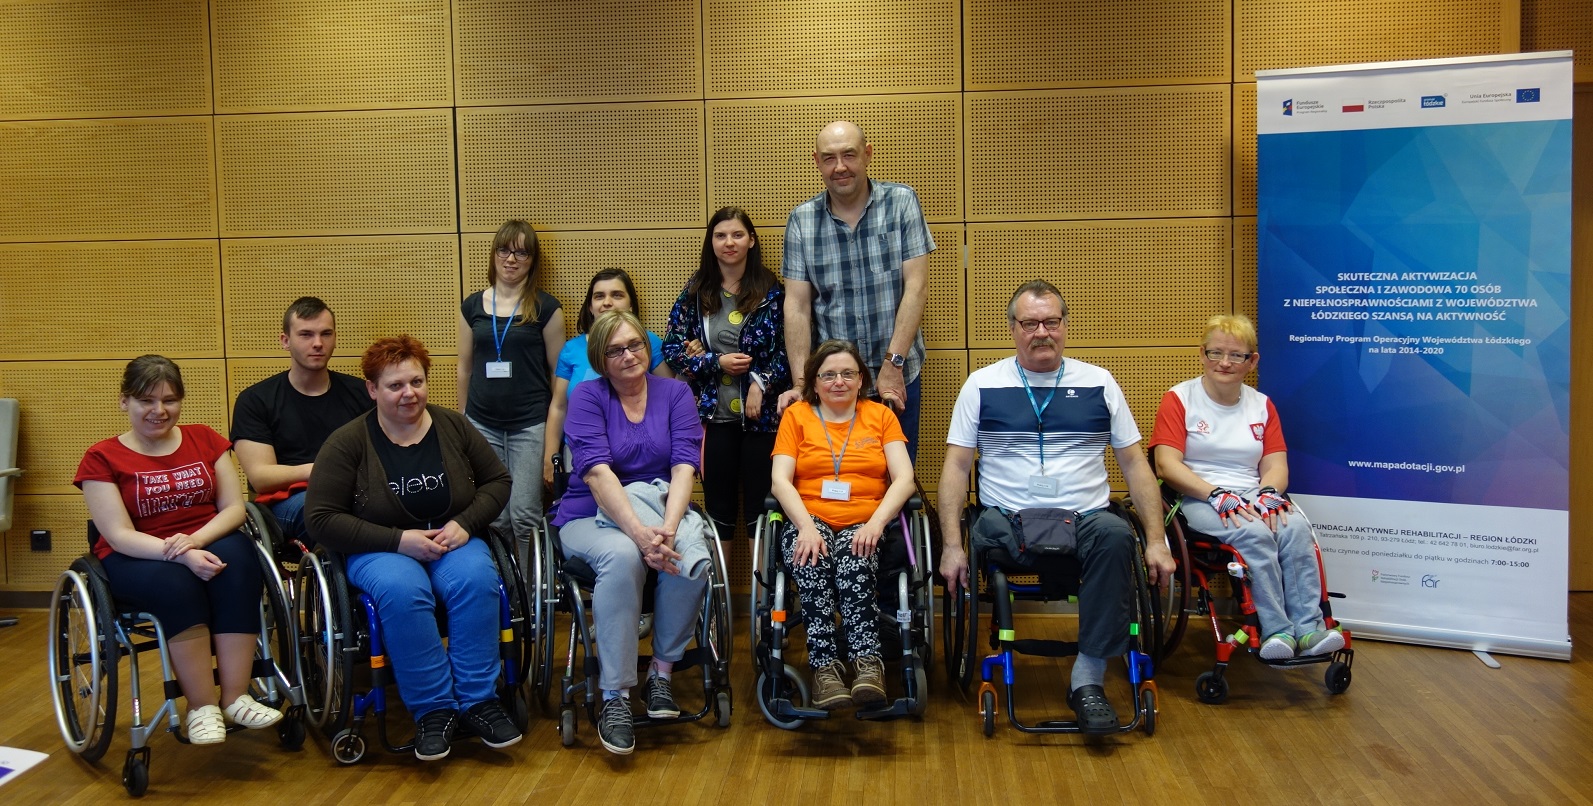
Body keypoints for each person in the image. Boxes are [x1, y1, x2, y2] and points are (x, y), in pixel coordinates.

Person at [937, 280, 1175, 734]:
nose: (1041, 332)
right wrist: (951, 545)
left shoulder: (1099, 382)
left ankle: (1087, 680)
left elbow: (1134, 464)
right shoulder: (982, 384)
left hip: (1086, 518)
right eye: (1030, 323)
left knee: (1117, 536)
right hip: (1008, 520)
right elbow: (956, 467)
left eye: (1051, 321)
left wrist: (1157, 541)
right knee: (990, 531)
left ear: (1065, 325)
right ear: (1013, 328)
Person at [304, 335, 519, 761]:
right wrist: (398, 540)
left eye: (417, 382)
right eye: (395, 385)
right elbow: (322, 518)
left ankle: (478, 700)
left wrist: (465, 523)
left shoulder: (453, 426)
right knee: (404, 591)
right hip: (381, 546)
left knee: (477, 580)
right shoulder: (347, 442)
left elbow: (498, 481)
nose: (409, 393)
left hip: (449, 538)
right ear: (372, 389)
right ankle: (434, 708)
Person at [75, 356, 283, 745]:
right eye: (146, 400)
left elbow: (234, 509)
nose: (159, 410)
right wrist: (182, 554)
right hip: (137, 553)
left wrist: (196, 542)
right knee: (176, 583)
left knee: (239, 562)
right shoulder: (102, 457)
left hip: (205, 535)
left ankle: (236, 697)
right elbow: (118, 535)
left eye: (169, 400)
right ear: (124, 401)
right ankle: (201, 707)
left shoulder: (205, 439)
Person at [550, 311, 709, 756]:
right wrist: (641, 537)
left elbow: (684, 467)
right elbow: (597, 474)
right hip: (588, 514)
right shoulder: (587, 396)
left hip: (662, 510)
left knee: (690, 551)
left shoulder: (675, 393)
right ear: (600, 359)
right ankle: (616, 695)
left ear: (647, 346)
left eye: (635, 345)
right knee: (622, 555)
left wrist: (668, 530)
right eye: (615, 350)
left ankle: (661, 674)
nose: (628, 355)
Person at [1149, 314, 1344, 661]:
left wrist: (1269, 493)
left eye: (1236, 355)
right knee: (1253, 534)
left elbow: (1276, 465)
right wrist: (1214, 494)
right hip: (1198, 495)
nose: (1224, 362)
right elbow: (1167, 465)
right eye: (1215, 352)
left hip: (1253, 492)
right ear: (1202, 354)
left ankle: (1309, 629)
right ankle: (1276, 630)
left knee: (1295, 528)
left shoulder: (1261, 404)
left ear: (1251, 361)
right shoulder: (1179, 399)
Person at [769, 340, 915, 711]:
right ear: (814, 382)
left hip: (865, 520)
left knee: (855, 560)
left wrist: (876, 524)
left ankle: (868, 666)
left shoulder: (880, 416)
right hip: (808, 519)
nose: (839, 381)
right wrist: (805, 527)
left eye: (848, 373)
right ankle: (825, 671)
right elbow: (780, 481)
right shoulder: (797, 416)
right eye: (829, 375)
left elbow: (904, 480)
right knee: (810, 558)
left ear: (861, 379)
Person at [777, 120, 933, 460]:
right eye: (829, 158)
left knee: (897, 477)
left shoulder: (901, 202)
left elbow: (917, 288)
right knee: (840, 477)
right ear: (817, 161)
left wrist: (893, 364)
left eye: (849, 155)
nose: (840, 167)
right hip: (835, 384)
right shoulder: (802, 221)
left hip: (898, 372)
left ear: (867, 154)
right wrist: (802, 383)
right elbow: (797, 307)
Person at [663, 207, 791, 540]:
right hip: (712, 417)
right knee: (718, 513)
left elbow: (789, 351)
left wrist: (760, 383)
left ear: (752, 240)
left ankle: (761, 577)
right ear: (711, 242)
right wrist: (714, 363)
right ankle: (719, 578)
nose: (729, 242)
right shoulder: (696, 290)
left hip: (763, 419)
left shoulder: (773, 292)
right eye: (720, 236)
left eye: (737, 235)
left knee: (761, 513)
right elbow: (672, 349)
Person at [458, 221, 564, 566]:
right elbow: (464, 368)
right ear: (494, 255)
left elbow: (558, 372)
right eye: (504, 250)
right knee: (495, 516)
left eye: (521, 252)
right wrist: (464, 423)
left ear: (532, 260)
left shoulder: (546, 308)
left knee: (524, 514)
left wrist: (553, 434)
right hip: (482, 424)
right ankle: (504, 591)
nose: (511, 259)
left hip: (529, 425)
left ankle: (532, 592)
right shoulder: (472, 307)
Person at [232, 297, 372, 543]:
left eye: (326, 334)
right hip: (290, 500)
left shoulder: (362, 393)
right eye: (306, 335)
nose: (318, 343)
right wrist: (323, 470)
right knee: (330, 513)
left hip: (356, 491)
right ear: (285, 341)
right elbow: (261, 477)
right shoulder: (255, 400)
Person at [542, 268, 673, 487]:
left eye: (617, 295)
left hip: (640, 452)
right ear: (590, 306)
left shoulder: (647, 342)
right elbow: (559, 406)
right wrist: (550, 455)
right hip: (583, 451)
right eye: (599, 296)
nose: (607, 302)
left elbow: (670, 392)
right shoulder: (572, 349)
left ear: (631, 306)